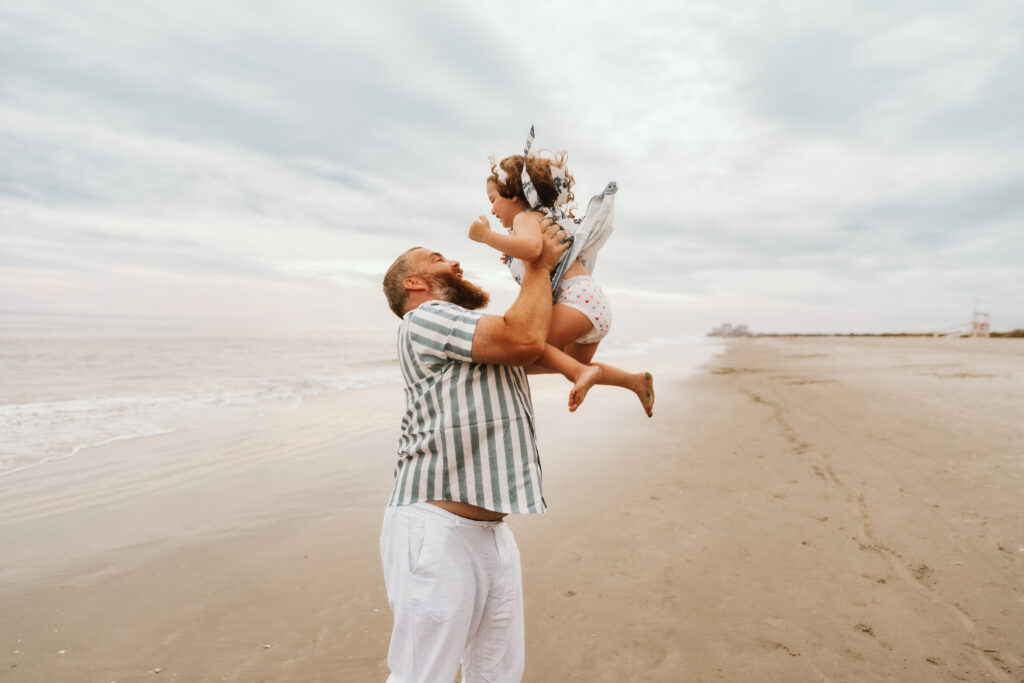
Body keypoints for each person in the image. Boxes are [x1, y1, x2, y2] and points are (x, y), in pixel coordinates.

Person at [379, 219, 568, 682]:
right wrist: (535, 262)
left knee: (497, 673)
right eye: (438, 258)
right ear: (414, 282)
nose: (455, 261)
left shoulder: (471, 336)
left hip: (490, 534)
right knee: (424, 675)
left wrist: (575, 282)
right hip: (437, 530)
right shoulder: (425, 317)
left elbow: (558, 347)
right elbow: (523, 338)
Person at [468, 127, 654, 416]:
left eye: (493, 199)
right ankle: (634, 382)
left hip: (577, 302)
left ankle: (577, 375)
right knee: (574, 368)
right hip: (593, 306)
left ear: (513, 194)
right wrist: (512, 254)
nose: (492, 210)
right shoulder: (546, 219)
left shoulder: (526, 217)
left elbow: (531, 249)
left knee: (528, 343)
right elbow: (534, 252)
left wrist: (487, 237)